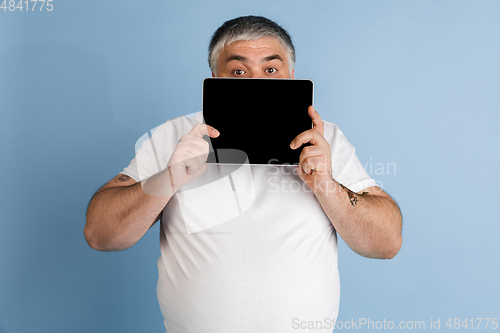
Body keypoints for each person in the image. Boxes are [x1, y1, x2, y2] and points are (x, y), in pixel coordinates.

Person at [85, 15, 402, 333]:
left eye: (271, 69)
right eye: (238, 71)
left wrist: (324, 183)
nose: (257, 82)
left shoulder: (324, 139)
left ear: (291, 76)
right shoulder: (174, 136)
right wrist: (170, 176)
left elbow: (385, 243)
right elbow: (102, 235)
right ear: (214, 78)